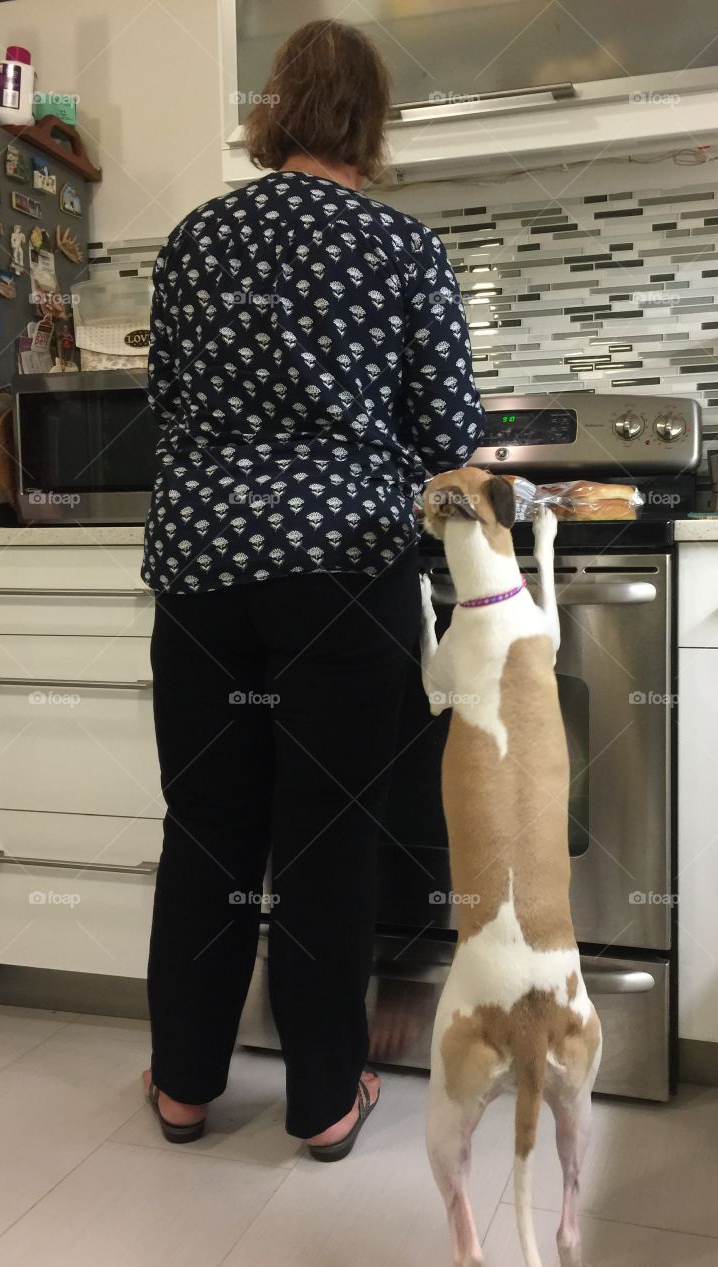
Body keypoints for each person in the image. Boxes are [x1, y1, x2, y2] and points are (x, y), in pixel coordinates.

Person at [141, 18, 485, 1159]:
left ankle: (185, 1085)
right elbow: (446, 435)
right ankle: (325, 1097)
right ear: (370, 124)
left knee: (208, 831)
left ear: (277, 111)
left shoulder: (194, 240)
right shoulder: (399, 248)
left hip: (201, 571)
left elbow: (172, 404)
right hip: (342, 571)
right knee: (328, 837)